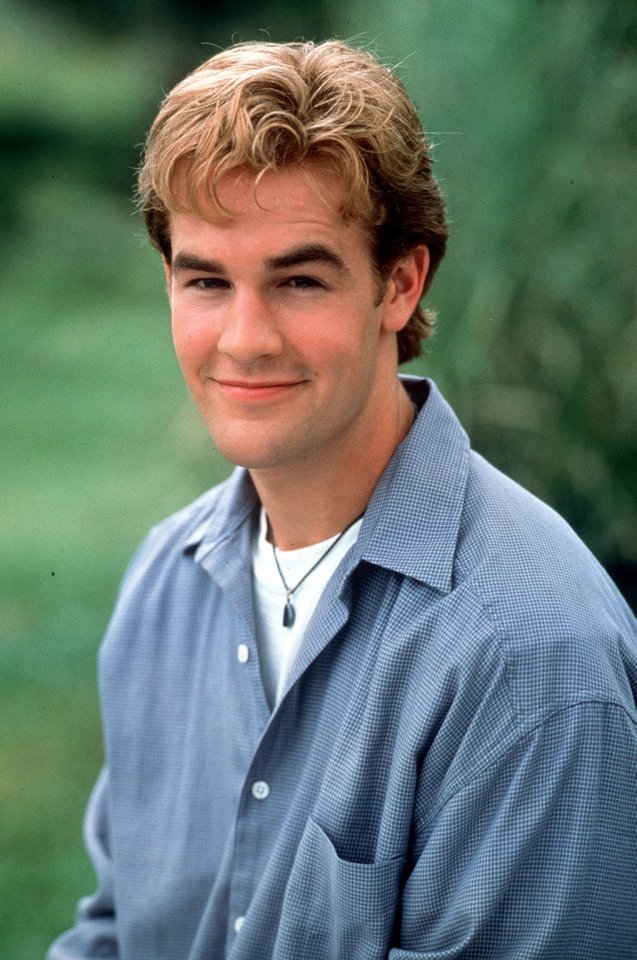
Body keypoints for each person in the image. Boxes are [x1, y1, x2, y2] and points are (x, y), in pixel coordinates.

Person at [48, 40, 637, 960]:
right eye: (207, 279)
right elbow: (117, 932)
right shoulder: (163, 584)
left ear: (400, 284)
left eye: (298, 280)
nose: (243, 340)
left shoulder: (532, 657)